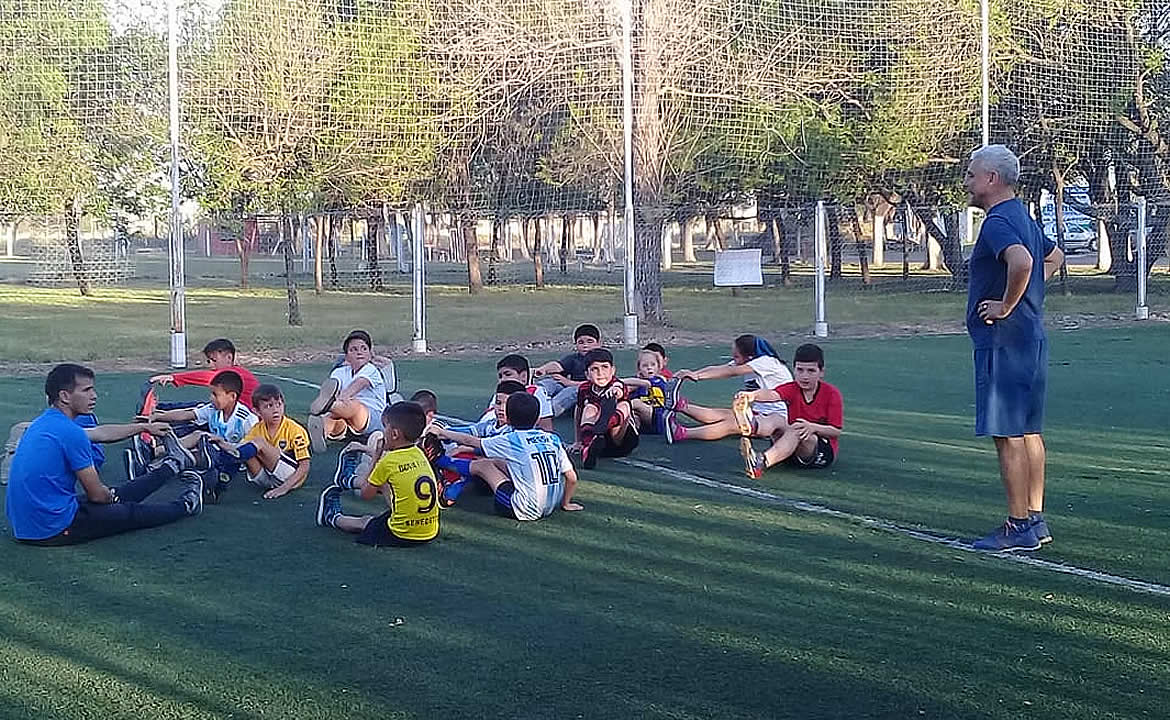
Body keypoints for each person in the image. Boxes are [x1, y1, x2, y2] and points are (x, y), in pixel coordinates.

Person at [964, 145, 1063, 552]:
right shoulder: (1024, 216)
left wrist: (1006, 305)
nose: (966, 182)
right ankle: (1035, 519)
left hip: (1003, 343)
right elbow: (1053, 257)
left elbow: (1022, 262)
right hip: (1031, 339)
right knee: (1029, 431)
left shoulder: (997, 222)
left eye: (971, 175)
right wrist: (1029, 303)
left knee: (1007, 435)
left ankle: (1018, 524)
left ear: (991, 179)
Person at [6, 364, 203, 545]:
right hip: (53, 529)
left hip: (30, 524)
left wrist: (144, 427)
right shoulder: (70, 433)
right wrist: (110, 497)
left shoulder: (45, 423)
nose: (94, 395)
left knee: (118, 495)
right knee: (128, 512)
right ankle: (186, 506)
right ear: (65, 396)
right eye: (86, 390)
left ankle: (174, 464)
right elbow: (97, 495)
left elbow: (99, 433)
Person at [434, 392, 582, 520]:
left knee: (484, 465)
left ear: (509, 419)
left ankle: (439, 460)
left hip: (520, 509)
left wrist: (442, 432)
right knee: (498, 461)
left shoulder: (512, 439)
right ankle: (451, 474)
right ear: (537, 419)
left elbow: (471, 441)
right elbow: (571, 477)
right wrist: (566, 503)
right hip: (550, 506)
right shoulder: (553, 439)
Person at [316, 402, 439, 548]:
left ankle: (332, 518)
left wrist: (376, 455)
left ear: (394, 434)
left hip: (403, 534)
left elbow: (366, 494)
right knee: (389, 481)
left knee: (365, 521)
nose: (383, 431)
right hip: (429, 531)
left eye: (385, 427)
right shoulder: (420, 453)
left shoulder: (388, 462)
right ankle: (348, 480)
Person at [148, 370, 259, 502]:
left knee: (196, 445)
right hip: (211, 450)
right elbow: (186, 415)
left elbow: (249, 449)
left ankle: (155, 465)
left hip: (231, 458)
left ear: (232, 396)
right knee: (197, 438)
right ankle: (153, 454)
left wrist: (224, 445)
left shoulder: (247, 419)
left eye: (215, 394)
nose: (211, 398)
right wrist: (158, 416)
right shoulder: (213, 409)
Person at [661, 334, 792, 444]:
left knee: (731, 424)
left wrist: (697, 376)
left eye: (736, 356)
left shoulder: (767, 362)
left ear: (749, 358)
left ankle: (681, 433)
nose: (734, 360)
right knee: (723, 414)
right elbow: (719, 368)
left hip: (779, 418)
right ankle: (680, 405)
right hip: (759, 412)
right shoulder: (749, 361)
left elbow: (731, 371)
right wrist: (692, 374)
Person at [739, 344, 843, 478]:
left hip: (820, 452)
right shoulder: (792, 388)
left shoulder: (832, 394)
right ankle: (753, 426)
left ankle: (761, 462)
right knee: (777, 418)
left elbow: (836, 430)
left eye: (811, 371)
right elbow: (772, 395)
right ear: (794, 370)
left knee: (798, 428)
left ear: (821, 372)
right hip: (789, 448)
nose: (804, 376)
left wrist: (812, 427)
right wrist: (751, 396)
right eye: (800, 370)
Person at [307, 330, 386, 452]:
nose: (359, 352)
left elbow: (356, 386)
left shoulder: (371, 370)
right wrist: (330, 412)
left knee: (353, 406)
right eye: (353, 349)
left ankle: (329, 407)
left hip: (374, 417)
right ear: (347, 356)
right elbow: (333, 389)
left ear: (370, 354)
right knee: (334, 421)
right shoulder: (339, 372)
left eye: (364, 348)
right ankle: (322, 431)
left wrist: (331, 405)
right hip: (346, 419)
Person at [228, 384, 312, 500]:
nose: (276, 410)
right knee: (246, 448)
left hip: (290, 479)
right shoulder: (257, 428)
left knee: (258, 443)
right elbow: (240, 448)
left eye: (279, 404)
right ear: (257, 412)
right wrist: (221, 443)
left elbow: (305, 466)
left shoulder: (295, 429)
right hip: (266, 479)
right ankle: (220, 474)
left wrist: (284, 488)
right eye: (269, 406)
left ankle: (223, 465)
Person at [572, 348, 639, 469]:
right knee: (590, 408)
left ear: (613, 370)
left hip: (621, 440)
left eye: (604, 367)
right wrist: (578, 441)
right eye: (594, 369)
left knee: (624, 405)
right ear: (587, 374)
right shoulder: (584, 389)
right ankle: (589, 446)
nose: (600, 373)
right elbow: (578, 411)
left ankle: (604, 424)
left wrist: (614, 391)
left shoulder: (617, 384)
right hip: (602, 447)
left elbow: (619, 388)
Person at [148, 338, 260, 409]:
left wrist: (173, 378)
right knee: (197, 407)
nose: (211, 365)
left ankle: (157, 412)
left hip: (243, 419)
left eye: (214, 360)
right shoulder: (234, 372)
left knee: (197, 414)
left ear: (229, 358)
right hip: (231, 411)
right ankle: (159, 408)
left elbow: (207, 377)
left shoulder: (232, 374)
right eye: (209, 361)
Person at [533, 323, 603, 417]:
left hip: (586, 390)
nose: (585, 345)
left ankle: (546, 412)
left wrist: (568, 382)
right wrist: (543, 370)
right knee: (550, 382)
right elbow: (557, 365)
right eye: (581, 342)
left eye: (590, 342)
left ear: (598, 343)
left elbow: (595, 384)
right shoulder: (574, 358)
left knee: (571, 391)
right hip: (568, 385)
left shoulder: (601, 360)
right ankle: (533, 396)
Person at [477, 354, 555, 431]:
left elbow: (546, 428)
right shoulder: (499, 393)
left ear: (523, 376)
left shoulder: (536, 393)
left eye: (508, 374)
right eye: (500, 376)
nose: (503, 379)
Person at [622, 347, 673, 435]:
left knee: (635, 403)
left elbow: (645, 383)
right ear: (639, 369)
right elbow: (628, 388)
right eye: (645, 366)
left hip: (660, 417)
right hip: (646, 420)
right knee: (632, 414)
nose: (649, 368)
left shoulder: (659, 380)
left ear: (658, 367)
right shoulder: (637, 382)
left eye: (653, 365)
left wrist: (617, 381)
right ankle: (632, 430)